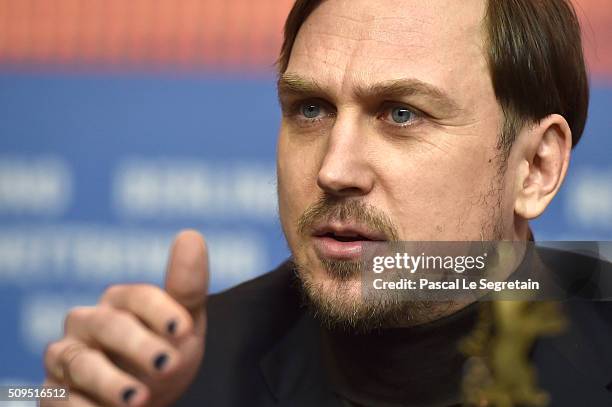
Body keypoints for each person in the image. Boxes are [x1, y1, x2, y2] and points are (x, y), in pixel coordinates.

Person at [42, 0, 612, 406]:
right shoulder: (182, 377)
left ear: (535, 168)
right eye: (311, 109)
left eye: (401, 113)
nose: (333, 170)